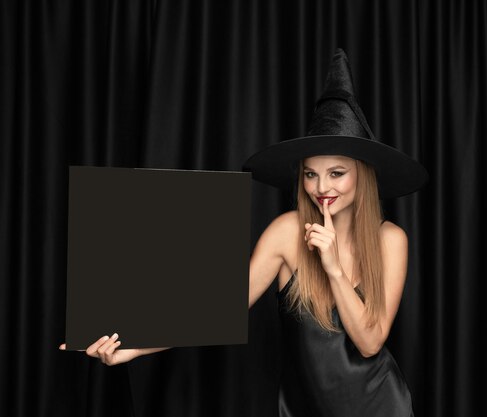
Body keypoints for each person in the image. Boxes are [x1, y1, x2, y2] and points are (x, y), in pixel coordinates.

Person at [61, 49, 428, 417]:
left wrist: (333, 267)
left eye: (336, 173)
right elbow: (218, 307)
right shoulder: (288, 233)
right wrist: (131, 347)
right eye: (310, 173)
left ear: (361, 175)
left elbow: (369, 343)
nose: (321, 186)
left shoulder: (390, 239)